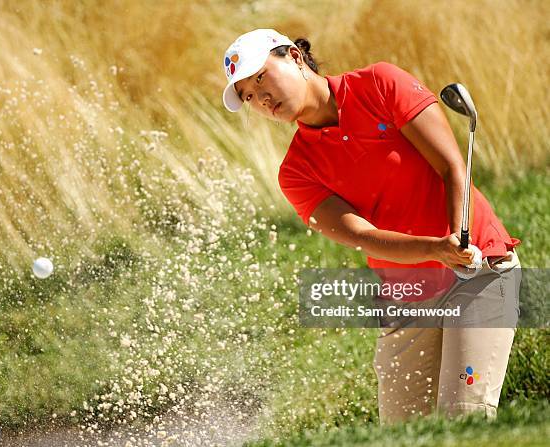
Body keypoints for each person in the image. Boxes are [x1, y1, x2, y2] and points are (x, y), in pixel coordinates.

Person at [221, 28, 523, 424]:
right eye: (246, 95)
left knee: (464, 419)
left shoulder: (380, 83)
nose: (259, 99)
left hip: (479, 274)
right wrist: (435, 249)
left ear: (294, 57)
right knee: (402, 432)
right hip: (407, 297)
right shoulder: (296, 172)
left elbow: (451, 167)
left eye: (261, 77)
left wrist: (456, 239)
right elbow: (362, 236)